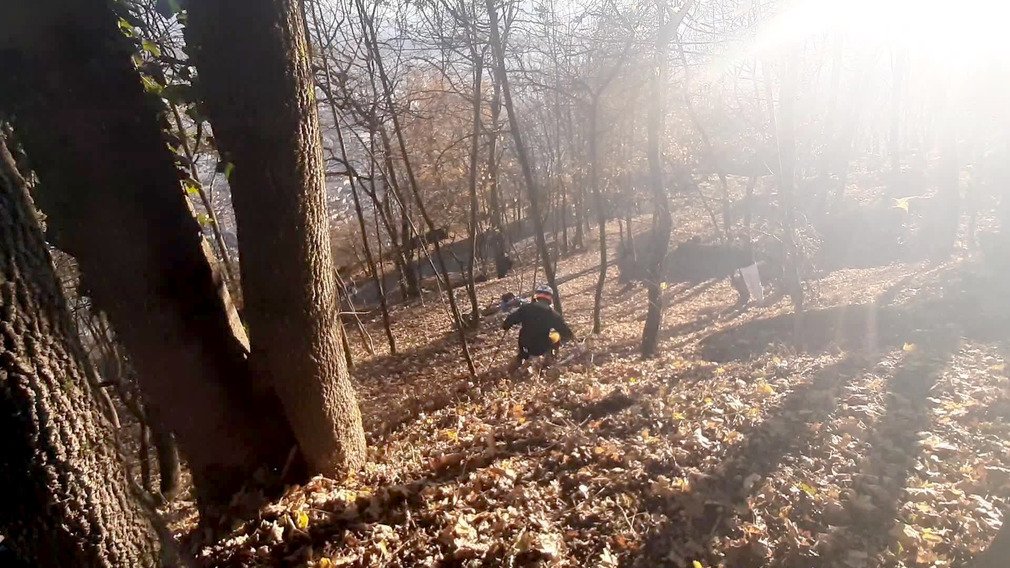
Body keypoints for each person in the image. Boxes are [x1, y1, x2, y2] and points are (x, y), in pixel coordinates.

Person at [502, 285, 574, 368]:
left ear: (537, 296)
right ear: (550, 298)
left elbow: (507, 322)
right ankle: (549, 359)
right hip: (540, 348)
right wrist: (569, 337)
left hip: (524, 344)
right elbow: (566, 333)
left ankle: (520, 359)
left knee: (524, 340)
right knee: (556, 335)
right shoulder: (553, 314)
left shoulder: (525, 309)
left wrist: (507, 326)